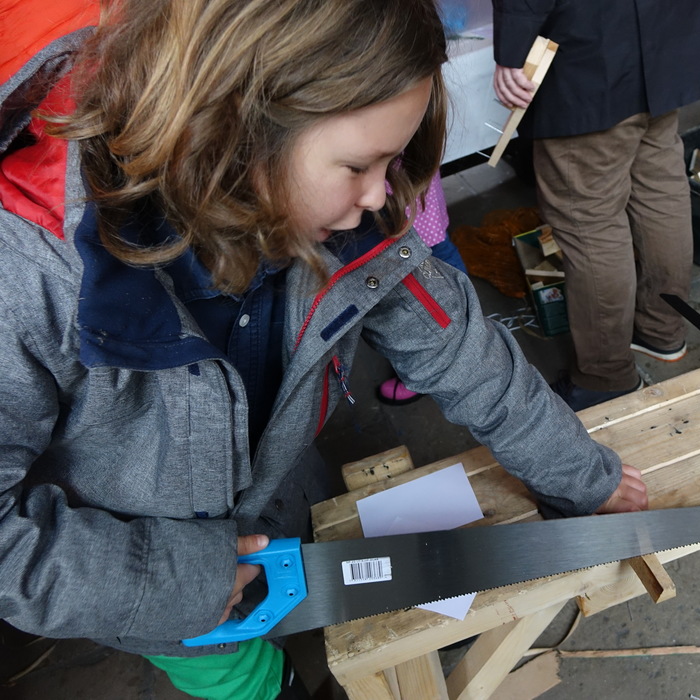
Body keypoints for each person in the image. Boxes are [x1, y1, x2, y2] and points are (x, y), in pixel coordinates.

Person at [0, 1, 648, 698]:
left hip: (272, 502)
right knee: (249, 680)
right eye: (358, 165)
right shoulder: (30, 278)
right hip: (152, 588)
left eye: (391, 162)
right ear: (231, 130)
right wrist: (170, 582)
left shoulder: (341, 218)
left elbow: (462, 352)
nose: (379, 196)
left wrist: (578, 474)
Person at [492, 0, 700, 411]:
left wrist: (513, 46)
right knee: (659, 183)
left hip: (594, 46)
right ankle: (662, 330)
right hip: (669, 32)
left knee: (588, 216)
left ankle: (606, 375)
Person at [376, 170, 467, 405]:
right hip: (409, 181)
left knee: (420, 266)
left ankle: (431, 361)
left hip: (400, 188)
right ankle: (465, 331)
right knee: (436, 251)